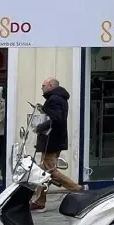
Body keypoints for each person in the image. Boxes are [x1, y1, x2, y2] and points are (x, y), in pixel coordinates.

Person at [31, 77, 82, 212]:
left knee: (48, 170)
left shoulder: (54, 99)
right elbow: (55, 116)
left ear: (50, 85)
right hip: (54, 140)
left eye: (43, 85)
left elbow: (56, 120)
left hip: (51, 141)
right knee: (44, 171)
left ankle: (78, 189)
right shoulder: (58, 98)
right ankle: (39, 201)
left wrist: (39, 127)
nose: (42, 88)